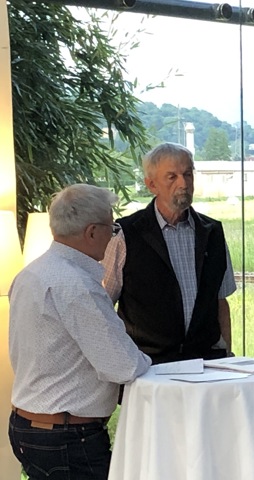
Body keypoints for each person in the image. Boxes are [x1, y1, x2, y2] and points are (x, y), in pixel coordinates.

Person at [8, 184, 152, 480]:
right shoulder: (78, 287)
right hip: (68, 436)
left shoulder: (29, 274)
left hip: (29, 425)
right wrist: (146, 360)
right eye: (112, 229)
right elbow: (123, 365)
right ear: (91, 232)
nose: (112, 237)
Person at [102, 142, 237, 364]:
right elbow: (103, 303)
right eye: (172, 177)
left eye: (187, 174)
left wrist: (228, 357)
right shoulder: (126, 233)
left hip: (205, 362)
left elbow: (221, 302)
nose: (183, 183)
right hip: (148, 366)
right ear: (151, 185)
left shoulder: (212, 233)